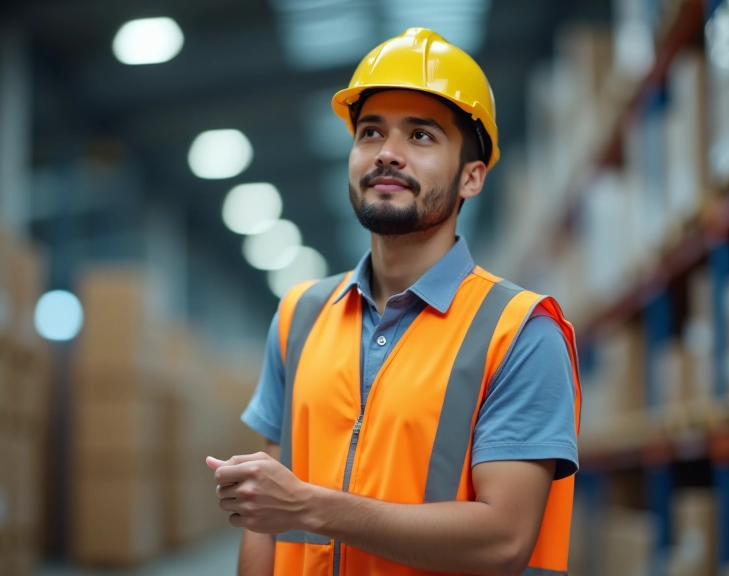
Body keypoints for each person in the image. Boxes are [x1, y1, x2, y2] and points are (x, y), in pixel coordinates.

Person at [206, 27, 581, 576]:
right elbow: (268, 508)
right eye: (370, 132)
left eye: (421, 136)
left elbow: (503, 539)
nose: (387, 154)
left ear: (471, 177)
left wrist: (313, 507)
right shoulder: (300, 315)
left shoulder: (520, 332)